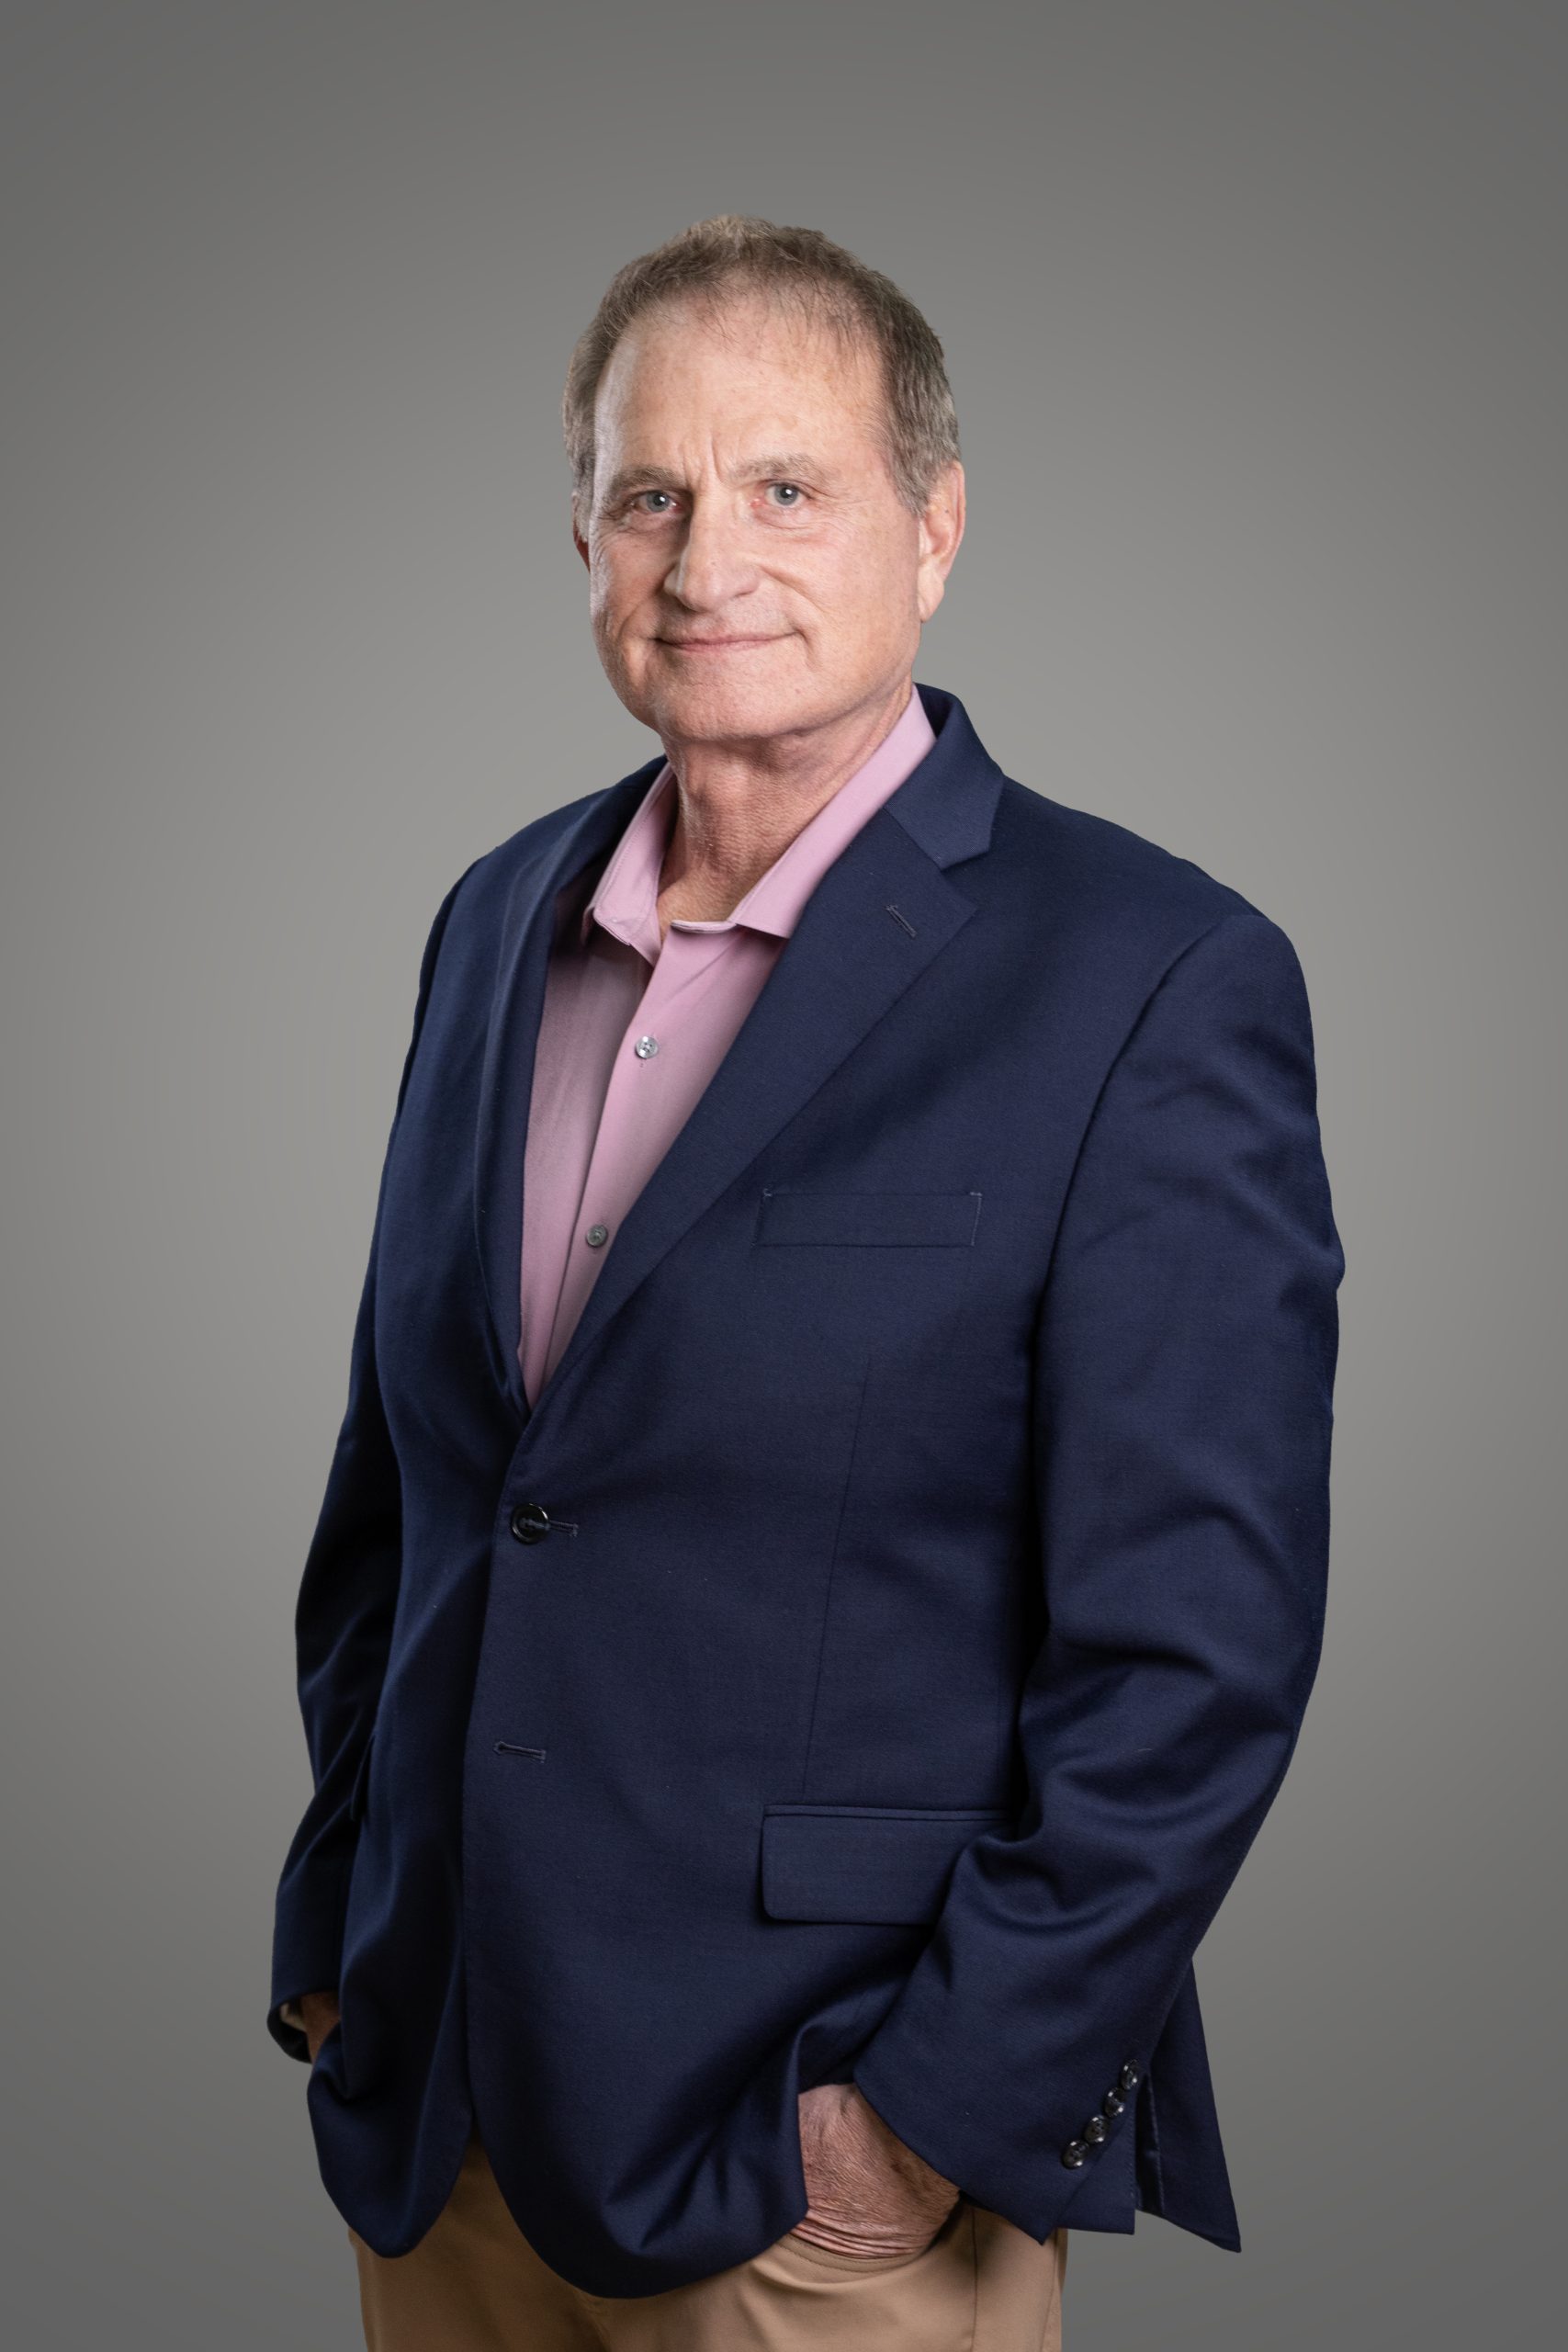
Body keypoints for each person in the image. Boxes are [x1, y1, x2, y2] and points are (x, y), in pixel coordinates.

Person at [266, 214, 1344, 2350]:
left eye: (783, 487)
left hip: (813, 2174)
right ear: (580, 538)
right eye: (645, 495)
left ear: (931, 527)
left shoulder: (1148, 976)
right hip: (443, 2118)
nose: (705, 562)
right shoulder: (493, 916)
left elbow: (1193, 1651)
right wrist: (343, 1926)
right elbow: (417, 1486)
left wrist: (924, 2118)